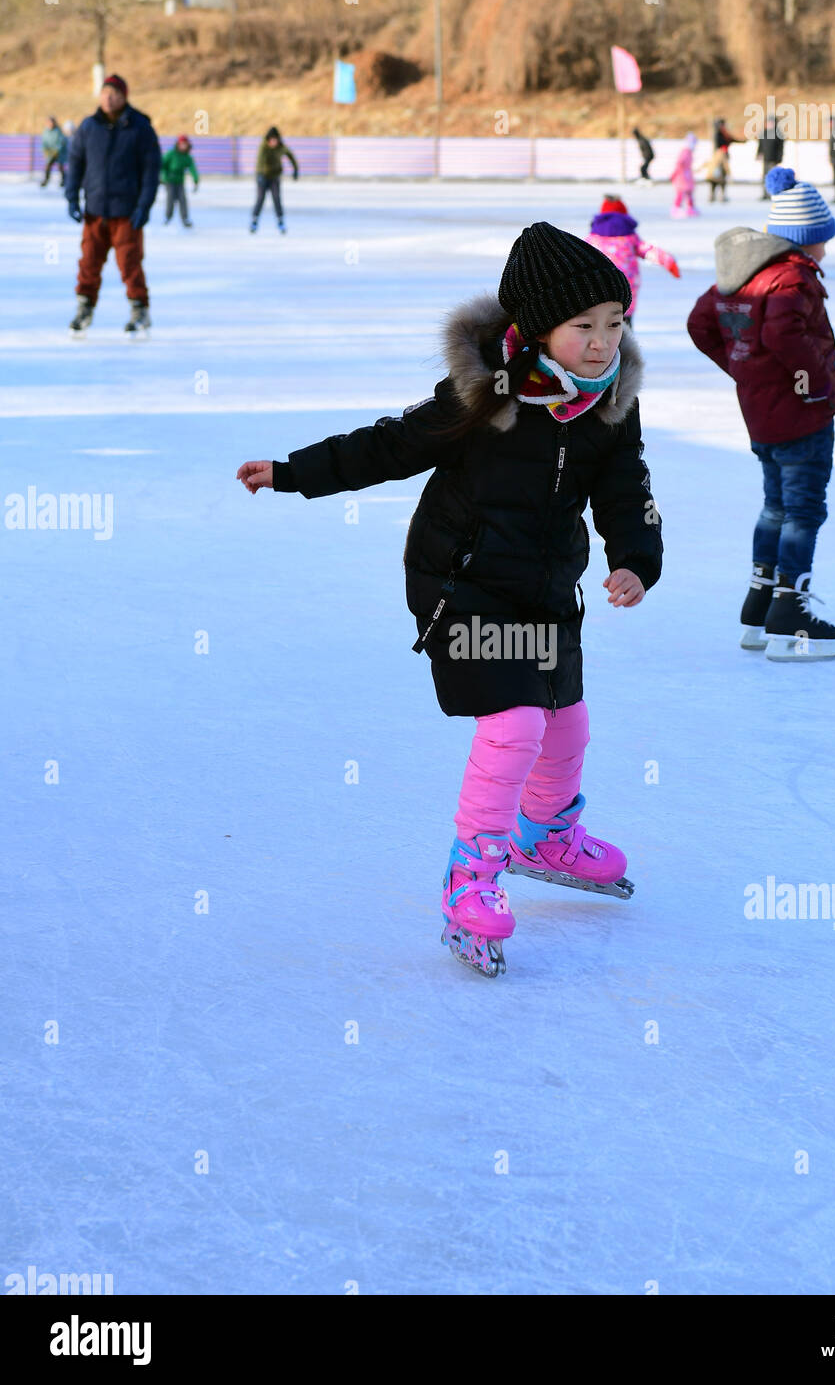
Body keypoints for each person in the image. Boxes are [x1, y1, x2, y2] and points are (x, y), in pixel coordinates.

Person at [235, 222, 663, 978]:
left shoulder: (609, 406)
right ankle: (473, 876)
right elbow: (390, 445)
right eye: (582, 327)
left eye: (614, 324)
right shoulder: (487, 394)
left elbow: (628, 492)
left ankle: (547, 835)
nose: (602, 343)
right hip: (460, 583)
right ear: (535, 330)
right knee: (517, 720)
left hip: (546, 590)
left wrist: (635, 559)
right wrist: (294, 471)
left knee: (566, 719)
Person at [685, 166, 835, 661]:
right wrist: (816, 382)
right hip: (802, 414)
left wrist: (742, 368)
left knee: (776, 506)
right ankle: (789, 613)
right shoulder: (791, 277)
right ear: (803, 240)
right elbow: (783, 335)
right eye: (821, 241)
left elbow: (701, 324)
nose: (824, 250)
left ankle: (759, 606)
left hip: (761, 412)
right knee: (803, 511)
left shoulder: (742, 275)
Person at [64, 74, 161, 335]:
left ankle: (139, 309)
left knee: (129, 262)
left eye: (114, 94)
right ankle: (84, 308)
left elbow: (151, 171)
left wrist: (144, 206)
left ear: (124, 97)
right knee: (88, 262)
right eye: (105, 93)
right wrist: (71, 196)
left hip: (126, 211)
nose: (109, 98)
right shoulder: (88, 127)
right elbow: (75, 163)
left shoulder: (140, 127)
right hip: (95, 209)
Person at [585, 196, 679, 327]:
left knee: (602, 320)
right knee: (624, 321)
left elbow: (579, 255)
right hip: (626, 284)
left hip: (600, 284)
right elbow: (647, 250)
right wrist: (668, 261)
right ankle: (626, 342)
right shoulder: (630, 236)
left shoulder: (593, 238)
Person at [250, 126, 298, 233]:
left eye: (275, 140)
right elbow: (260, 161)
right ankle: (254, 220)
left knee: (277, 199)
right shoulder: (263, 147)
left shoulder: (281, 147)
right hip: (263, 177)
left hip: (274, 177)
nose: (273, 142)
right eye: (271, 140)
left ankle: (280, 221)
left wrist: (295, 170)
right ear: (268, 140)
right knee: (260, 199)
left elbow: (291, 156)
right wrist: (260, 175)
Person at [161, 134, 199, 227]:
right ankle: (167, 217)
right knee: (170, 198)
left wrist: (195, 179)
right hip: (169, 180)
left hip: (180, 181)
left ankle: (185, 218)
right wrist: (163, 176)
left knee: (182, 199)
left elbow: (192, 168)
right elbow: (162, 165)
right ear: (178, 144)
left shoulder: (187, 157)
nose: (183, 146)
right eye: (181, 144)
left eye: (185, 144)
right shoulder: (171, 154)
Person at [756, 115, 785, 199]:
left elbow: (781, 148)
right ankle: (765, 194)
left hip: (774, 159)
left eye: (771, 122)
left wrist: (779, 158)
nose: (770, 124)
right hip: (766, 159)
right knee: (765, 177)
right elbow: (760, 145)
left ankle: (773, 193)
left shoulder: (778, 133)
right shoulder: (764, 132)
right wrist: (759, 154)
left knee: (773, 177)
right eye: (768, 122)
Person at [670, 133, 698, 218]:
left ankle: (690, 208)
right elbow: (679, 163)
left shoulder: (689, 152)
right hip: (682, 176)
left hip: (687, 176)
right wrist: (676, 174)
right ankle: (676, 208)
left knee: (689, 193)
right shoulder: (685, 152)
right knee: (681, 193)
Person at [40, 116, 68, 189]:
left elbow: (61, 141)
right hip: (50, 153)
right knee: (48, 165)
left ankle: (63, 180)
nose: (50, 124)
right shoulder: (45, 131)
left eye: (51, 122)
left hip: (59, 152)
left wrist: (56, 150)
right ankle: (46, 180)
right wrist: (45, 150)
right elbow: (44, 142)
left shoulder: (58, 131)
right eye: (49, 122)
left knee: (60, 166)